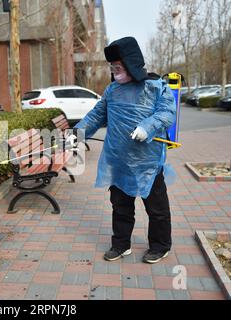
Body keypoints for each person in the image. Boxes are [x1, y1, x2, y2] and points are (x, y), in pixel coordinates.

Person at [70, 37, 176, 264]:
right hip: (118, 160)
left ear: (131, 63)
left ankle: (160, 246)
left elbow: (167, 114)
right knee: (120, 207)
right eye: (113, 65)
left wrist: (147, 127)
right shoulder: (112, 90)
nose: (114, 68)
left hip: (147, 162)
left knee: (156, 208)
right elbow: (97, 115)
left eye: (119, 64)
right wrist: (77, 133)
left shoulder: (156, 87)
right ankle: (121, 244)